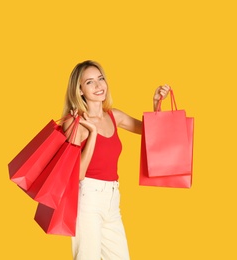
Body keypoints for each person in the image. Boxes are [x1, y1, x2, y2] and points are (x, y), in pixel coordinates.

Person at [61, 60, 170, 260]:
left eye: (100, 79)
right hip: (87, 199)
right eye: (90, 82)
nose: (98, 85)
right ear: (80, 89)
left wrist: (156, 105)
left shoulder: (114, 116)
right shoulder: (74, 122)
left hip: (112, 199)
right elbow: (77, 174)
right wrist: (92, 132)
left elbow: (152, 132)